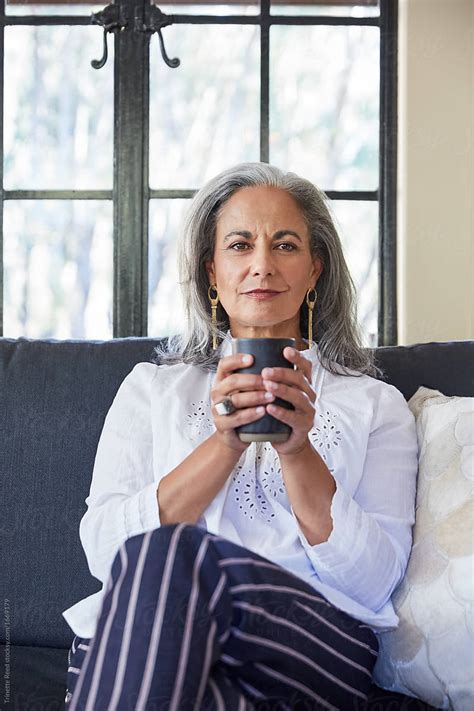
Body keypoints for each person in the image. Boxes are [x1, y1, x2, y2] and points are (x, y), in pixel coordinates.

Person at [62, 162, 418, 710]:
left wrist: (298, 451)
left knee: (179, 557)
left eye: (285, 245)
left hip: (310, 646)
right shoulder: (151, 391)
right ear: (210, 270)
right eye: (239, 245)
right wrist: (224, 441)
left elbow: (374, 584)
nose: (261, 265)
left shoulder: (373, 405)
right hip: (148, 639)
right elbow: (105, 552)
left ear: (315, 269)